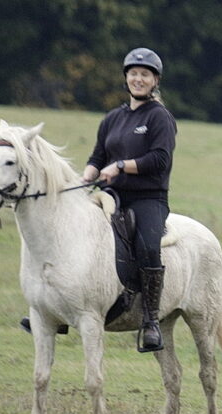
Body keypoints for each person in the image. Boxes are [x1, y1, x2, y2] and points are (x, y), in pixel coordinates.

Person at [81, 47, 178, 352]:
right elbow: (97, 157)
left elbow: (160, 159)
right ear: (126, 78)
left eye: (144, 74)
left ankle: (150, 320)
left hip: (148, 198)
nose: (138, 79)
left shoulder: (160, 117)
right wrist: (83, 180)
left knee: (148, 246)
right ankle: (59, 309)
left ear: (154, 80)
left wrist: (122, 166)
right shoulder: (113, 118)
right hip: (110, 195)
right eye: (133, 73)